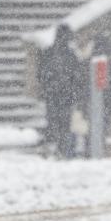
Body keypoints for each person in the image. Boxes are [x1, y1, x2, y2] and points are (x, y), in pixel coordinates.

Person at [38, 24, 86, 159]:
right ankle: (62, 149)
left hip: (52, 94)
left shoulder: (48, 52)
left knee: (52, 121)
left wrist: (47, 88)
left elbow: (41, 74)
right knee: (64, 124)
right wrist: (74, 92)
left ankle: (52, 148)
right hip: (66, 96)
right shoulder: (71, 55)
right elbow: (77, 77)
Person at [88, 34, 111, 155]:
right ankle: (98, 150)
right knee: (102, 128)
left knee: (91, 129)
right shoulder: (109, 63)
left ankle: (92, 150)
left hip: (91, 103)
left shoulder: (89, 61)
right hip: (106, 102)